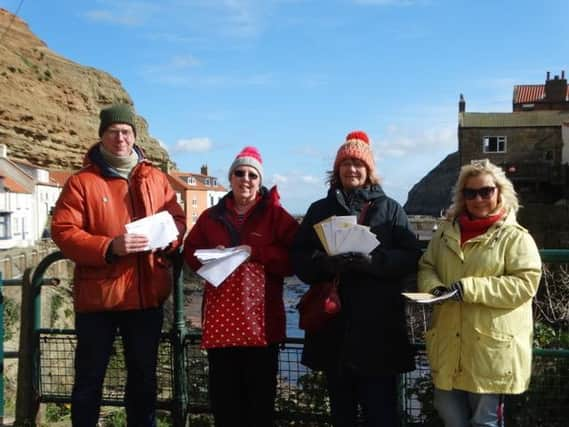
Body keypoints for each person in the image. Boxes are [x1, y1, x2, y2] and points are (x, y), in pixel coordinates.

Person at [51, 104, 186, 427]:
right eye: (113, 132)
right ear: (102, 136)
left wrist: (169, 240)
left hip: (144, 297)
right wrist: (109, 246)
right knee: (89, 381)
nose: (120, 138)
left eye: (126, 132)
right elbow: (64, 231)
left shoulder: (155, 177)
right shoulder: (81, 182)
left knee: (143, 380)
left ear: (134, 136)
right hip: (99, 299)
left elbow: (177, 219)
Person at [291, 131, 420, 427]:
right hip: (333, 328)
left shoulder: (390, 209)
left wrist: (374, 262)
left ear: (369, 170)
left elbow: (410, 255)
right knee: (341, 412)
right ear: (336, 170)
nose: (352, 169)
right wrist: (325, 263)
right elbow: (299, 257)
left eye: (358, 163)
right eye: (346, 162)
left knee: (381, 412)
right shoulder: (319, 210)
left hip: (378, 328)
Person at [418, 159, 542, 427]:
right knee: (449, 413)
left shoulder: (516, 237)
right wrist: (434, 289)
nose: (478, 198)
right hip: (451, 343)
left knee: (485, 422)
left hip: (490, 350)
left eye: (486, 191)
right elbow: (427, 265)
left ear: (500, 191)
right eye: (470, 192)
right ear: (461, 196)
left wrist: (470, 288)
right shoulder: (445, 233)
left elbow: (525, 283)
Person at [183, 146, 299, 427]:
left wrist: (255, 253)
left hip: (263, 328)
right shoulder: (210, 217)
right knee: (225, 404)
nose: (245, 179)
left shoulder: (276, 215)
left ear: (260, 181)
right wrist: (213, 258)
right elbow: (191, 251)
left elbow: (295, 259)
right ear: (231, 177)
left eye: (252, 175)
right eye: (239, 173)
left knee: (259, 405)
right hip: (222, 327)